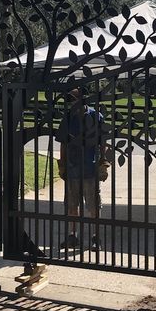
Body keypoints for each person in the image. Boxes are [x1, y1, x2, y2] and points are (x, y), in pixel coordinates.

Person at [55, 88, 108, 251]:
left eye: (73, 98)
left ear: (82, 98)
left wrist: (102, 161)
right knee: (72, 204)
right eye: (70, 99)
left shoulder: (95, 115)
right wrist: (62, 163)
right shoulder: (69, 117)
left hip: (90, 167)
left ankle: (95, 238)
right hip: (72, 167)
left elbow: (103, 140)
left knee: (93, 205)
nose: (71, 102)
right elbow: (63, 142)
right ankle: (73, 236)